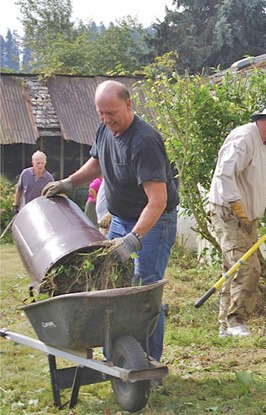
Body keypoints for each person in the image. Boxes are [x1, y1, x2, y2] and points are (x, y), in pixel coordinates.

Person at [42, 80, 179, 362]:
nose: (106, 120)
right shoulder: (106, 128)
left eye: (111, 113)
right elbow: (98, 161)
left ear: (129, 105)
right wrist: (70, 182)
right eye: (100, 113)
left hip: (153, 222)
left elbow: (158, 200)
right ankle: (117, 354)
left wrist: (134, 237)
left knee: (144, 288)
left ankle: (148, 361)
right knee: (111, 284)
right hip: (121, 218)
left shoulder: (145, 142)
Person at [208, 102, 266, 338]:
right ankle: (236, 321)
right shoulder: (243, 138)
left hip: (248, 217)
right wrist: (238, 209)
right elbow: (224, 175)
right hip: (229, 214)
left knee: (233, 269)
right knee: (247, 267)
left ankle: (225, 326)